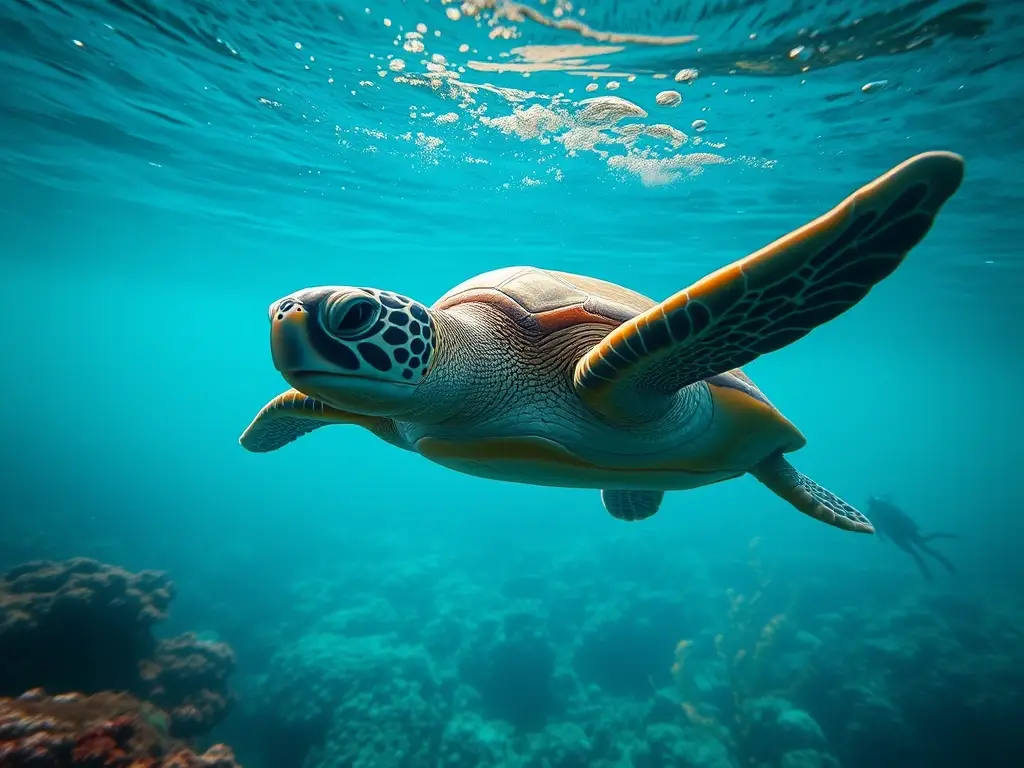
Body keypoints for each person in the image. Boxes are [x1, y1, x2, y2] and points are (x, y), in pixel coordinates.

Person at [867, 495, 959, 581]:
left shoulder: (877, 511)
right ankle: (940, 569)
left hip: (899, 532)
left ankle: (931, 574)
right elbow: (900, 516)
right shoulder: (885, 507)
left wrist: (880, 535)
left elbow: (876, 526)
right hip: (903, 530)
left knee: (918, 552)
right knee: (923, 548)